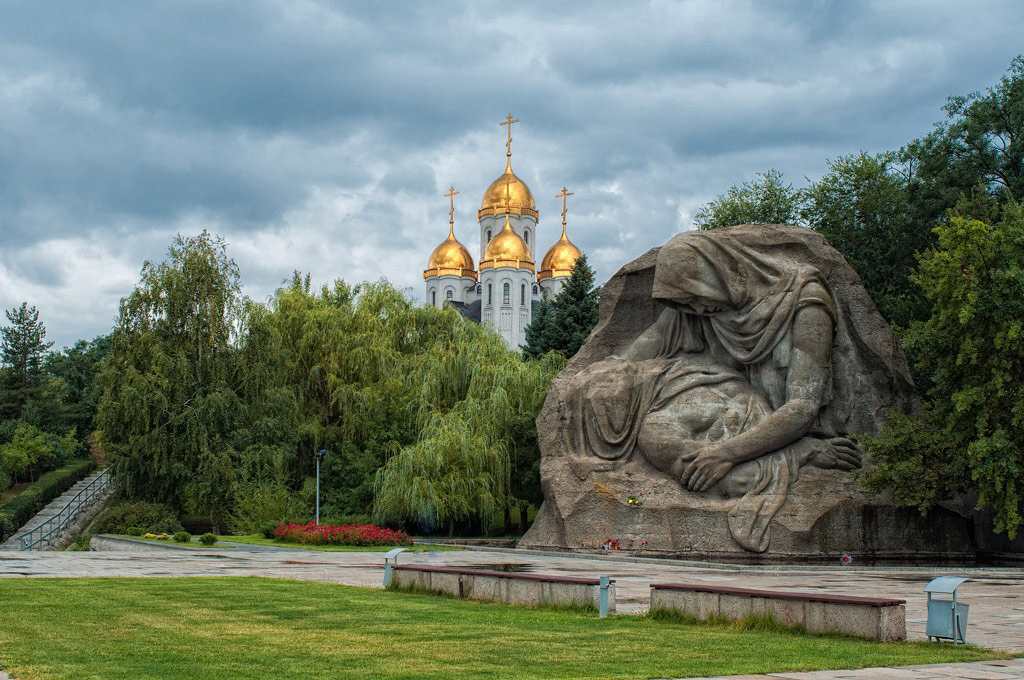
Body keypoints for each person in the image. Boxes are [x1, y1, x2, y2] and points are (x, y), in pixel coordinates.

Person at [565, 229, 865, 551]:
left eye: (695, 295)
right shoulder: (695, 308)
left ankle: (802, 451)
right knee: (658, 436)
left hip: (770, 422)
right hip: (709, 403)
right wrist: (592, 380)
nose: (696, 309)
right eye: (686, 301)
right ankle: (783, 459)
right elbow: (632, 356)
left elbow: (803, 408)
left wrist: (724, 455)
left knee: (691, 455)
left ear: (717, 271)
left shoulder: (805, 303)